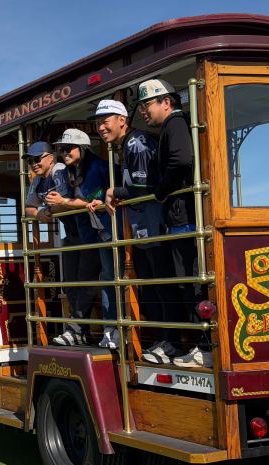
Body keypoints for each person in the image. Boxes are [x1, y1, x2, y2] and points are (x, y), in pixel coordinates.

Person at [96, 99, 182, 364]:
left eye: (105, 121)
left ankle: (173, 340)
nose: (101, 127)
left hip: (153, 223)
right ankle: (164, 338)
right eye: (98, 123)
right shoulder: (127, 145)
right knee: (152, 285)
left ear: (122, 119)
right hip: (142, 225)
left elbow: (145, 185)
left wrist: (114, 192)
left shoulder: (136, 143)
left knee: (162, 284)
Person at [137, 79, 211, 368]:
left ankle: (203, 347)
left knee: (191, 283)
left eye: (147, 104)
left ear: (166, 102)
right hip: (181, 219)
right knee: (186, 282)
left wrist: (161, 190)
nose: (143, 111)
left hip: (184, 219)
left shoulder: (175, 125)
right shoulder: (171, 127)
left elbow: (181, 160)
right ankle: (196, 344)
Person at [51, 128, 123, 349]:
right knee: (85, 281)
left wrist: (63, 202)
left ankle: (110, 329)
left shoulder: (99, 168)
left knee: (107, 279)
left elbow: (98, 201)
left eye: (68, 148)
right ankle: (82, 329)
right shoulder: (71, 172)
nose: (64, 153)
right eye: (61, 149)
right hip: (89, 235)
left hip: (107, 233)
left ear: (82, 148)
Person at [23, 141, 100, 345]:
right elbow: (28, 208)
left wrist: (49, 210)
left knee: (86, 281)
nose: (33, 164)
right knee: (71, 284)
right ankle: (78, 331)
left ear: (50, 158)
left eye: (37, 159)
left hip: (89, 231)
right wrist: (41, 212)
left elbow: (69, 201)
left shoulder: (59, 171)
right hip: (72, 234)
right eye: (30, 161)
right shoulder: (37, 180)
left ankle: (77, 329)